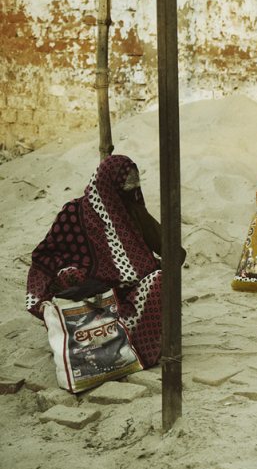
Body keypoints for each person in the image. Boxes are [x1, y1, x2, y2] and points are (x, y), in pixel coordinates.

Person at [26, 155, 184, 368]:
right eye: (122, 191)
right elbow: (46, 255)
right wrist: (77, 272)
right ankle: (91, 339)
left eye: (131, 191)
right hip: (90, 294)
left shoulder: (132, 211)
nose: (126, 197)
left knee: (159, 280)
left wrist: (146, 260)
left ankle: (135, 344)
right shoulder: (74, 211)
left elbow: (173, 253)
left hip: (128, 294)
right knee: (69, 277)